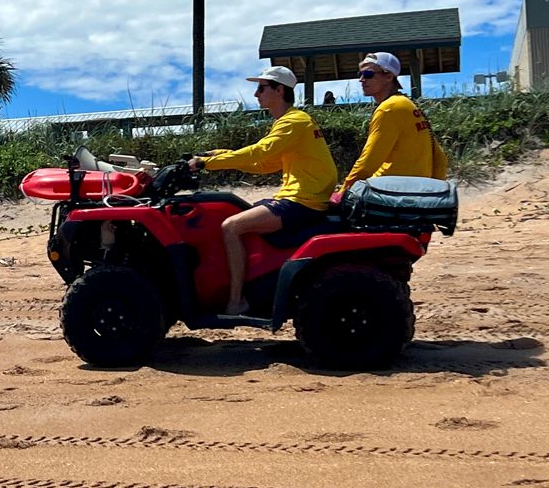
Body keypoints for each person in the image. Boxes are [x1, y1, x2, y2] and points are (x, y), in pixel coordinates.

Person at [188, 66, 337, 315]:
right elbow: (265, 163)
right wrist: (218, 155)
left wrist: (207, 163)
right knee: (238, 211)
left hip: (302, 200)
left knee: (231, 226)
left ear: (279, 90)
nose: (256, 94)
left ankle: (237, 301)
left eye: (261, 88)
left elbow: (260, 152)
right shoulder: (291, 121)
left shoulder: (294, 121)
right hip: (302, 196)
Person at [332, 52, 448, 202]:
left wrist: (343, 192)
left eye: (368, 74)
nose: (361, 79)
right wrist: (433, 194)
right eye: (360, 74)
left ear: (388, 76)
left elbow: (367, 163)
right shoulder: (409, 105)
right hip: (417, 193)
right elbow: (440, 159)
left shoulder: (388, 109)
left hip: (391, 193)